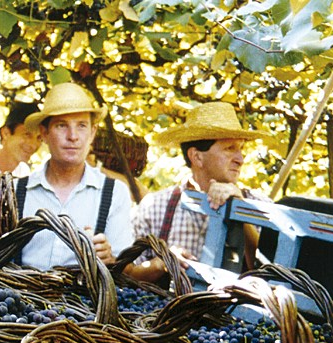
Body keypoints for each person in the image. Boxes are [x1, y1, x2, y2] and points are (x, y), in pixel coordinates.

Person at [126, 101, 271, 283]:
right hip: (170, 310)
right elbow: (127, 274)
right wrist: (161, 263)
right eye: (229, 148)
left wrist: (239, 209)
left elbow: (271, 273)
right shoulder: (155, 207)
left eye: (241, 148)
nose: (240, 159)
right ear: (197, 157)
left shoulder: (260, 206)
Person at [16, 82, 134, 270]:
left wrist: (109, 258)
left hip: (87, 298)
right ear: (44, 134)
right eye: (62, 126)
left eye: (81, 126)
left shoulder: (114, 193)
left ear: (92, 133)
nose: (73, 136)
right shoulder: (16, 191)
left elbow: (126, 268)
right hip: (21, 295)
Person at [0, 101, 41, 177]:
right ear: (6, 133)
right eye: (27, 135)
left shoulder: (24, 174)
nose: (33, 145)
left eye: (39, 138)